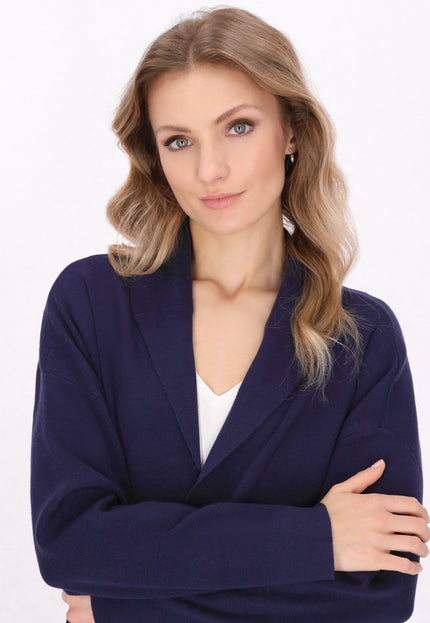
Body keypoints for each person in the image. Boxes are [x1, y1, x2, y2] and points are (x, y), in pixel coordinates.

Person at [30, 7, 429, 623]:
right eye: (179, 140)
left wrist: (125, 605)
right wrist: (316, 539)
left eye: (238, 127)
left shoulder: (361, 338)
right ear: (154, 153)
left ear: (292, 130)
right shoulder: (90, 303)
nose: (209, 170)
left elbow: (379, 593)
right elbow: (71, 545)